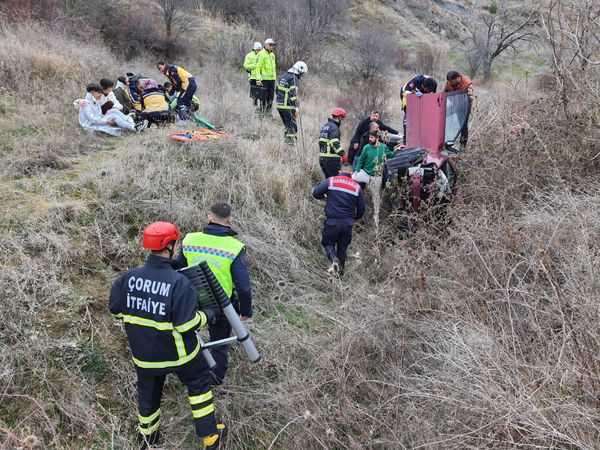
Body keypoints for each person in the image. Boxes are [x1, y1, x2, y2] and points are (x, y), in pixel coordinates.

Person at [109, 221, 224, 450]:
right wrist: (207, 315)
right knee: (199, 385)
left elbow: (117, 311)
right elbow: (186, 326)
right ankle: (210, 438)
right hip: (180, 355)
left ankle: (147, 439)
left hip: (144, 356)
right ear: (170, 246)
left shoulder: (126, 279)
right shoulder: (179, 283)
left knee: (148, 396)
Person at [174, 203, 252, 385]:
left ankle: (192, 368)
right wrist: (246, 310)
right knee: (220, 341)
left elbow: (179, 267)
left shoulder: (190, 240)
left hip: (192, 300)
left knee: (190, 335)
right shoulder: (235, 247)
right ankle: (215, 378)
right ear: (230, 219)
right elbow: (243, 286)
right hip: (221, 305)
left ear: (209, 216)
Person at [311, 161, 365, 276]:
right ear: (351, 173)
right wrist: (354, 218)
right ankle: (340, 276)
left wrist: (325, 197)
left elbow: (315, 193)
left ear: (340, 171)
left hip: (332, 221)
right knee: (343, 249)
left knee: (328, 243)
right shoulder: (357, 187)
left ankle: (334, 260)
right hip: (347, 224)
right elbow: (361, 210)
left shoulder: (332, 181)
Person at [353, 131, 395, 231]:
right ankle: (353, 202)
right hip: (365, 174)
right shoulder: (366, 147)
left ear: (377, 138)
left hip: (376, 177)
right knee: (352, 178)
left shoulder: (383, 147)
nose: (370, 139)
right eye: (369, 137)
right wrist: (356, 171)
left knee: (376, 199)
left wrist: (396, 149)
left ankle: (376, 224)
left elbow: (391, 155)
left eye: (372, 138)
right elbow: (361, 160)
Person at [75, 83, 146, 136]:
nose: (100, 95)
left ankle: (134, 124)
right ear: (93, 93)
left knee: (113, 111)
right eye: (99, 93)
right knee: (114, 117)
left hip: (99, 118)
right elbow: (92, 119)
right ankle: (134, 128)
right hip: (91, 124)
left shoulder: (94, 100)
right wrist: (106, 121)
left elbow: (99, 114)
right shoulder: (86, 104)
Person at [275, 61, 308, 143]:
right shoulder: (294, 79)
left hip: (279, 105)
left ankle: (287, 142)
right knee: (292, 127)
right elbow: (294, 95)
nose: (302, 75)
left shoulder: (283, 76)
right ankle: (290, 145)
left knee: (287, 126)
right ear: (299, 71)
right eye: (302, 73)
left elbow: (276, 90)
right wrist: (296, 108)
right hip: (287, 106)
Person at [401, 74, 438, 143]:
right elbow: (406, 92)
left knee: (423, 115)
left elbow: (433, 96)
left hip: (421, 95)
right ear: (422, 85)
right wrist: (415, 94)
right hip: (407, 93)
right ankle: (406, 140)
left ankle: (422, 137)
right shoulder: (416, 81)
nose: (426, 91)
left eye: (428, 90)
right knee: (409, 114)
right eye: (425, 89)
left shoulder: (434, 84)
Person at [444, 70, 474, 146]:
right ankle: (448, 141)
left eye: (452, 82)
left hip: (465, 105)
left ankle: (462, 145)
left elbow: (471, 97)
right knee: (448, 122)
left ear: (458, 78)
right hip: (453, 104)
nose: (451, 84)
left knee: (463, 124)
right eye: (449, 82)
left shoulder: (467, 83)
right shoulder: (449, 83)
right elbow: (444, 95)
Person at [318, 107, 347, 178]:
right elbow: (334, 143)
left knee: (328, 181)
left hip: (322, 158)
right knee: (335, 181)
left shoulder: (325, 126)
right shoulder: (334, 128)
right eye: (342, 118)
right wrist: (343, 154)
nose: (341, 120)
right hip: (331, 160)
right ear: (339, 117)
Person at [255, 38, 277, 115]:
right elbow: (257, 68)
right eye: (270, 45)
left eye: (273, 45)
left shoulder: (272, 55)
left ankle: (268, 114)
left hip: (272, 80)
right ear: (266, 45)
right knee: (263, 98)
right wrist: (258, 79)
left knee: (271, 98)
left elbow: (274, 68)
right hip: (264, 80)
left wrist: (275, 78)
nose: (272, 46)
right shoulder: (261, 54)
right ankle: (261, 113)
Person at [244, 42, 263, 107]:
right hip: (253, 78)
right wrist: (255, 65)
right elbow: (246, 66)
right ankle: (254, 108)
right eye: (257, 49)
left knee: (262, 94)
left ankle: (261, 108)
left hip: (262, 78)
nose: (259, 51)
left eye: (260, 49)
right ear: (254, 49)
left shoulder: (262, 55)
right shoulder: (249, 55)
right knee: (254, 95)